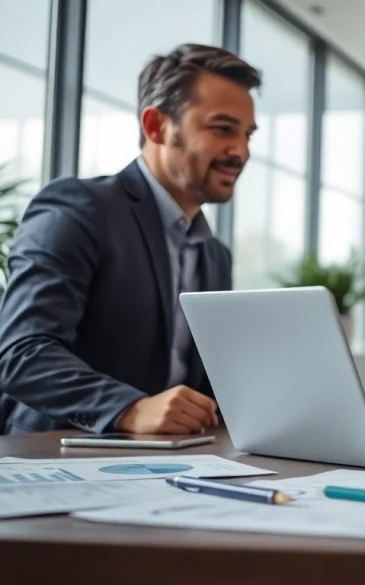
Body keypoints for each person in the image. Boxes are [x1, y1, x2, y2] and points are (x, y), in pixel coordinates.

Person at [0, 44, 261, 436]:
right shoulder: (79, 209)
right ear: (156, 126)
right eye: (222, 129)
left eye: (247, 135)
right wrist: (130, 409)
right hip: (56, 456)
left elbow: (205, 388)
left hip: (171, 464)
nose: (240, 151)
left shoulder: (214, 254)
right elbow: (22, 353)